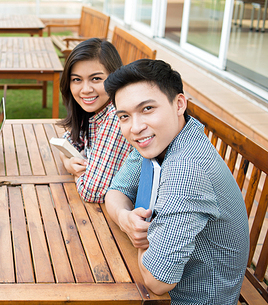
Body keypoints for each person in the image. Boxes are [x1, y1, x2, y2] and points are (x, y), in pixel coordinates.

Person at [103, 59, 249, 304]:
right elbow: (115, 191)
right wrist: (126, 220)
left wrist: (145, 233)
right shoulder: (160, 140)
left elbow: (157, 281)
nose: (136, 127)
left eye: (147, 109)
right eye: (125, 116)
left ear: (179, 104)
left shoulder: (186, 170)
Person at [58, 38, 132, 203]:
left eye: (96, 79)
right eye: (77, 79)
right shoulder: (95, 110)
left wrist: (77, 173)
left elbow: (92, 191)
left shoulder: (116, 115)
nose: (85, 90)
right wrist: (68, 162)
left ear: (115, 77)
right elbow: (68, 141)